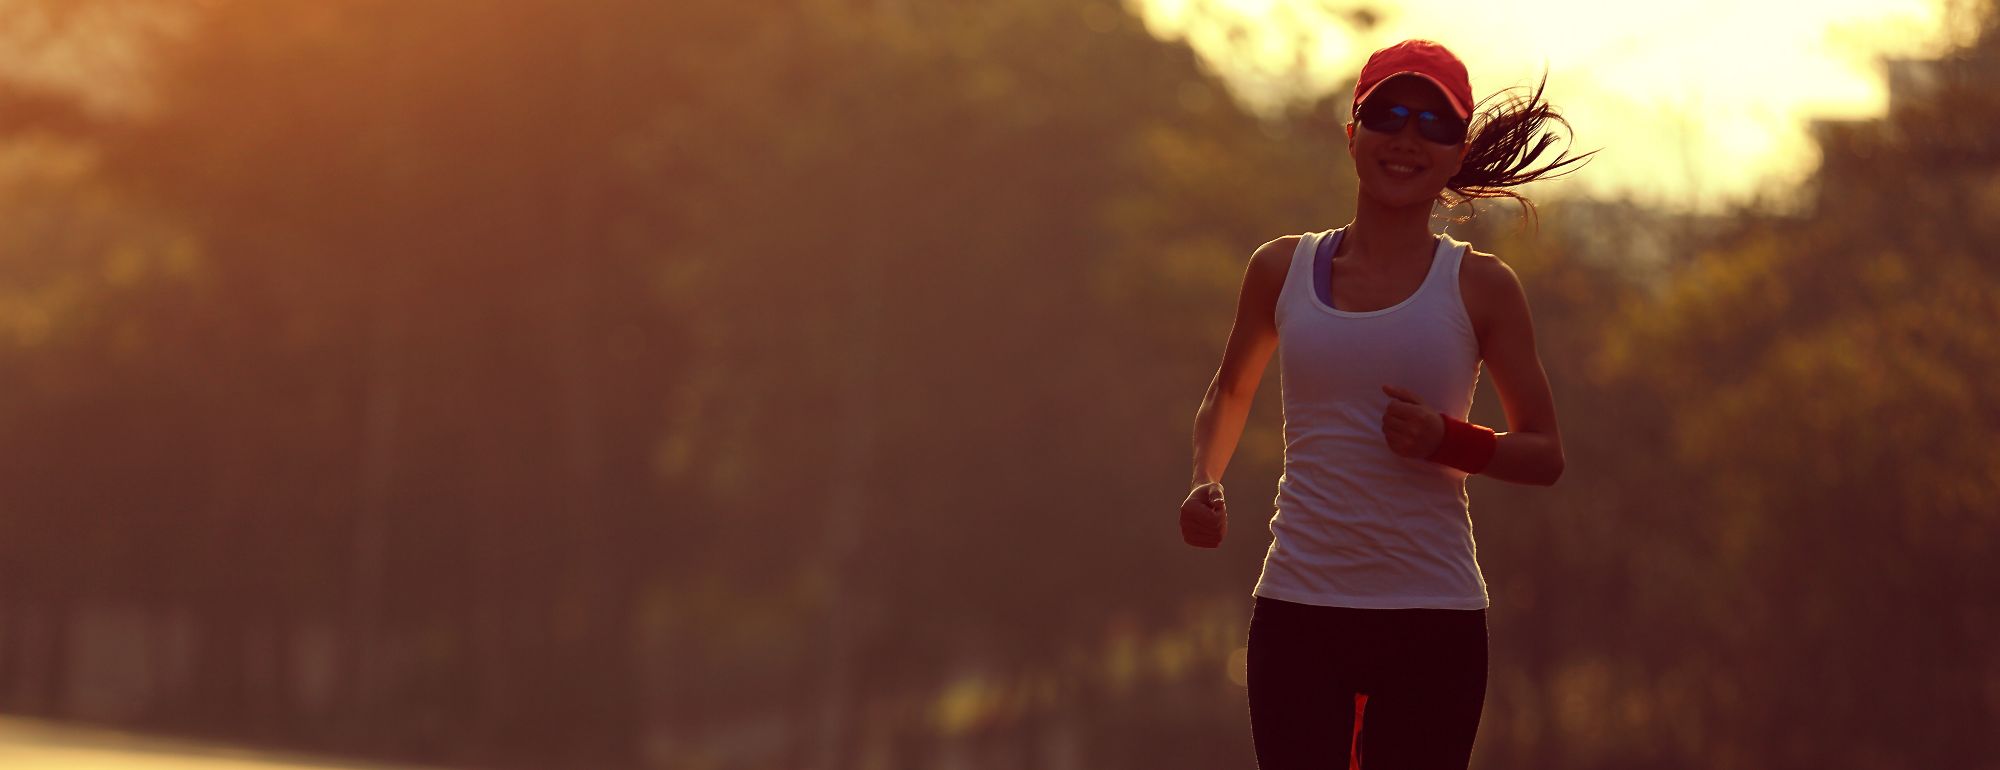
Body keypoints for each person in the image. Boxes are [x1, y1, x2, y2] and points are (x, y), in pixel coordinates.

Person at [1177, 39, 1588, 769]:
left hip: (1433, 618)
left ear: (1457, 152)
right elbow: (1229, 390)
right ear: (1352, 134)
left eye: (1433, 125)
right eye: (1388, 115)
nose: (1406, 138)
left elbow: (1546, 453)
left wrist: (1445, 440)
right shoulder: (1280, 269)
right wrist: (1204, 480)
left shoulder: (1483, 287)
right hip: (1299, 607)